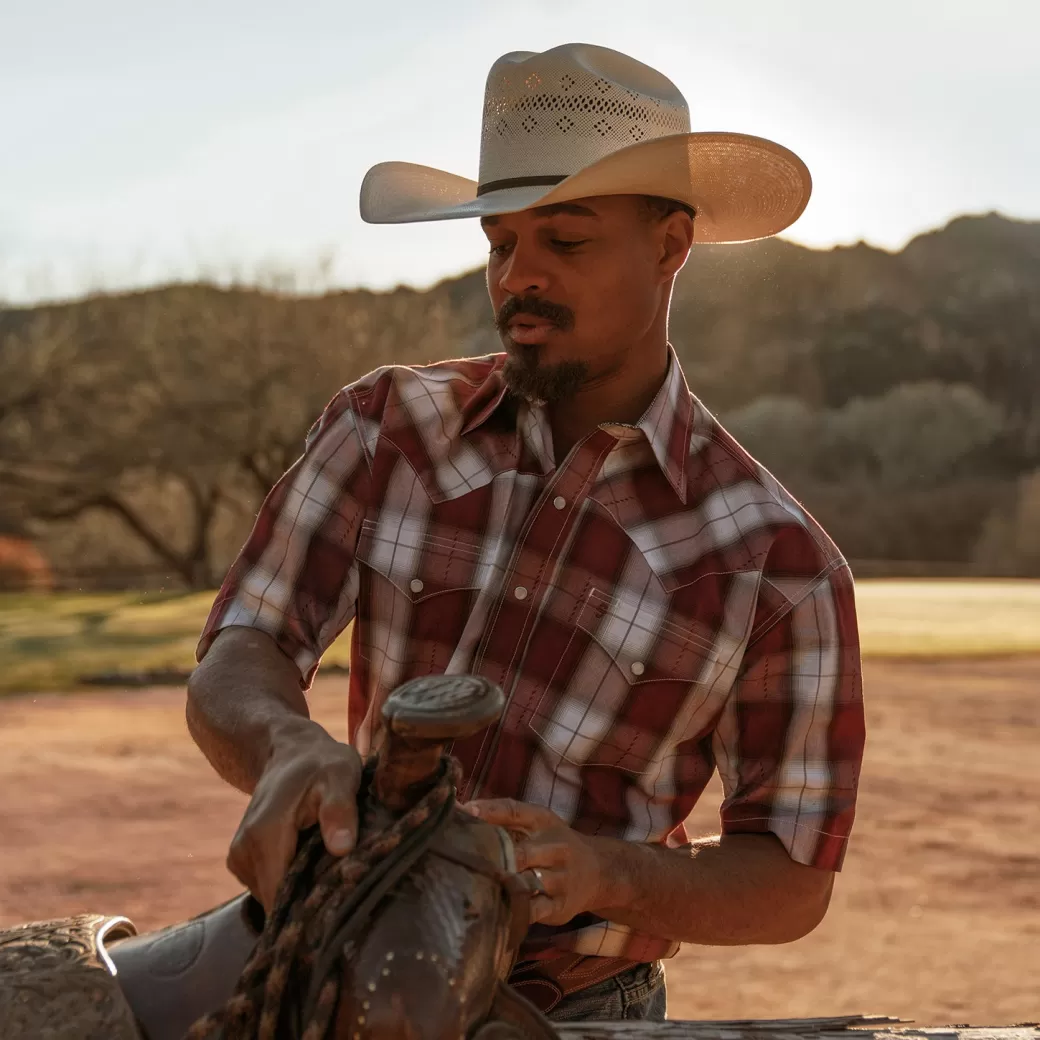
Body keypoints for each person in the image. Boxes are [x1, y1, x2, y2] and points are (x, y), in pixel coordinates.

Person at [187, 42, 866, 1023]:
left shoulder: (778, 567)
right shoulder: (386, 427)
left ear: (671, 245)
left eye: (567, 241)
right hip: (332, 967)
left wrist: (607, 872)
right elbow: (241, 645)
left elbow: (790, 874)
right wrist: (283, 742)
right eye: (502, 241)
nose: (520, 277)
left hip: (577, 1010)